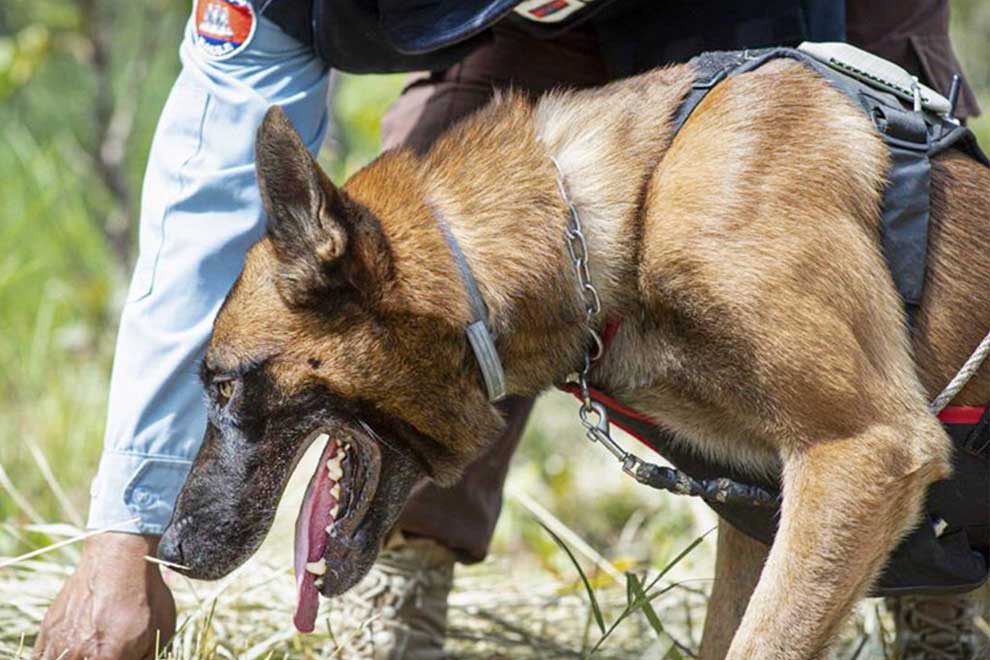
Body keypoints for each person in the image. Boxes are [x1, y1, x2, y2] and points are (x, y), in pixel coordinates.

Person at [34, 1, 982, 659]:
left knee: (819, 223)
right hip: (504, 76)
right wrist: (122, 532)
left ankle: (933, 594)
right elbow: (203, 196)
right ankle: (405, 582)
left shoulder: (715, 206)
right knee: (460, 171)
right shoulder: (290, 6)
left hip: (766, 20)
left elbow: (858, 450)